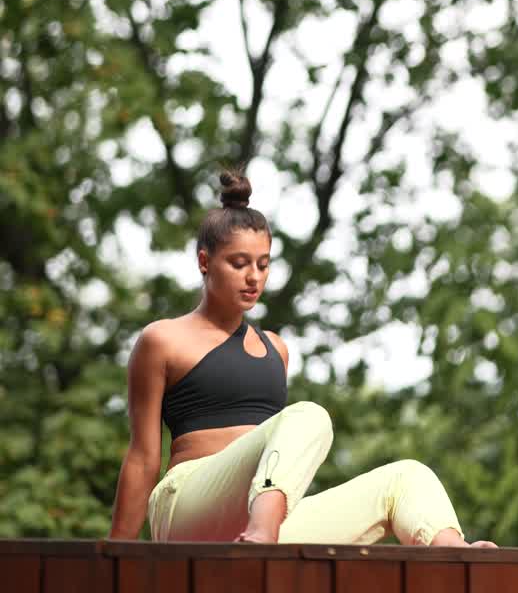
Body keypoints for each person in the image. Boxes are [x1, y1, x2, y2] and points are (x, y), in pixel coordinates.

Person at [107, 167, 498, 548]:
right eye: (239, 263)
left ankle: (456, 553)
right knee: (308, 414)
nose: (254, 277)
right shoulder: (163, 339)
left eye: (263, 264)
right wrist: (113, 559)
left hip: (263, 519)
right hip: (186, 508)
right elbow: (143, 458)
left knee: (406, 477)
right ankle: (262, 534)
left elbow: (278, 452)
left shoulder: (276, 349)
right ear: (205, 261)